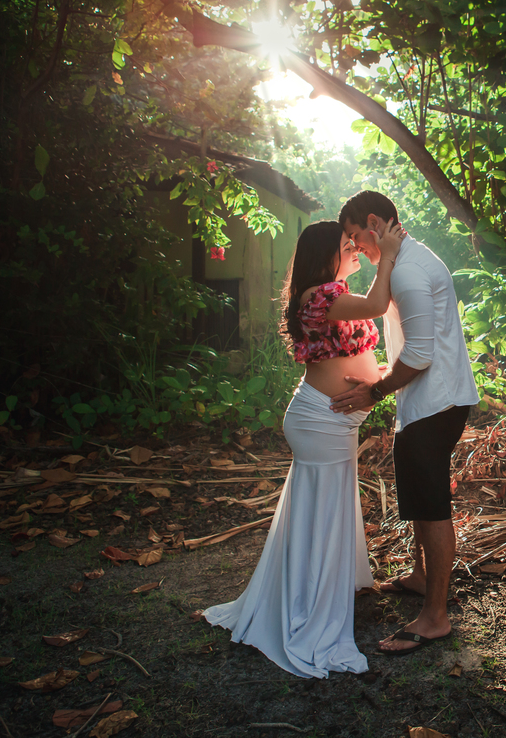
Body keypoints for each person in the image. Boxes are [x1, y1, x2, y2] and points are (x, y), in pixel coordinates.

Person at [202, 219, 404, 677]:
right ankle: (308, 603)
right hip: (321, 420)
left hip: (326, 420)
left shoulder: (327, 294)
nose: (354, 248)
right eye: (346, 245)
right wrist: (388, 253)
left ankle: (317, 588)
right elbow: (377, 302)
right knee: (323, 509)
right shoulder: (325, 295)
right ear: (323, 255)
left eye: (355, 243)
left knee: (323, 506)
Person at [331, 191, 479, 657]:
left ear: (374, 222)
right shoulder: (403, 260)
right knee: (416, 492)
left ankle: (435, 617)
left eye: (356, 237)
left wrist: (374, 391)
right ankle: (420, 578)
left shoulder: (410, 271)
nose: (355, 248)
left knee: (432, 505)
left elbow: (419, 355)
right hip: (424, 401)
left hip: (436, 403)